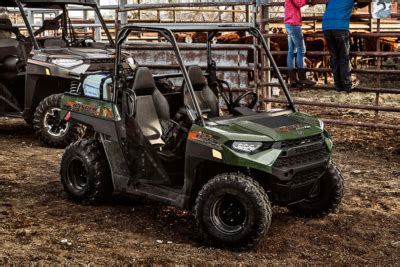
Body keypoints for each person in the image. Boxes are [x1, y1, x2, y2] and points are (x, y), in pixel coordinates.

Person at [322, 0, 368, 92]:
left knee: (334, 57)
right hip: (340, 26)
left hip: (326, 26)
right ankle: (347, 85)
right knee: (344, 57)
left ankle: (338, 85)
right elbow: (364, 2)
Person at [284, 0, 316, 88]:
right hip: (294, 23)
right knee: (301, 49)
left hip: (288, 23)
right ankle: (302, 78)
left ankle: (293, 79)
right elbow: (299, 3)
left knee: (291, 50)